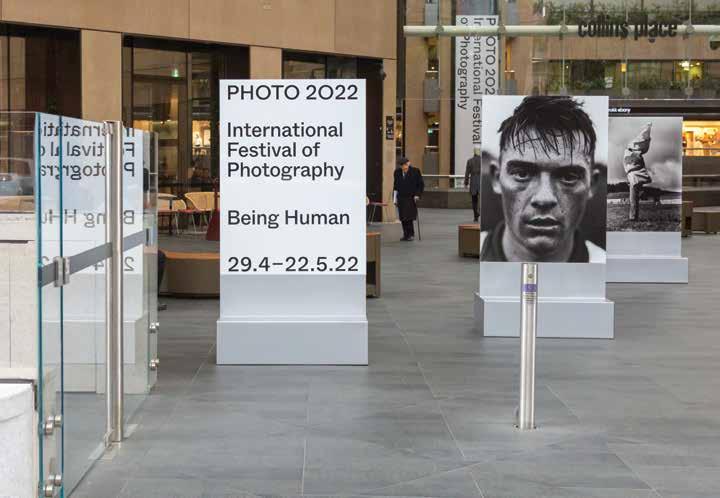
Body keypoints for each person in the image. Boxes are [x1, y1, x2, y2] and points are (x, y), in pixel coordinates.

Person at [481, 96, 605, 263]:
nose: (544, 198)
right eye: (522, 174)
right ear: (496, 178)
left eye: (568, 177)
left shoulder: (608, 268)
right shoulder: (470, 258)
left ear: (592, 184)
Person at [623, 123, 653, 221]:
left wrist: (647, 128)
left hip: (633, 170)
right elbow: (643, 139)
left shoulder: (632, 150)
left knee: (633, 194)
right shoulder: (633, 150)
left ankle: (633, 217)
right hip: (633, 170)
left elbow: (643, 139)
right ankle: (633, 217)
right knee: (634, 194)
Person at [393, 157, 424, 241]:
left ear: (409, 163)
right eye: (402, 165)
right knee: (402, 216)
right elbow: (395, 186)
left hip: (411, 197)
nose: (404, 167)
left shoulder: (415, 171)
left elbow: (420, 184)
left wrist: (417, 195)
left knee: (409, 216)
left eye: (405, 165)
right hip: (401, 197)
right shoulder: (397, 172)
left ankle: (411, 234)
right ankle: (405, 234)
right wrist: (394, 199)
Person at [464, 145, 482, 222]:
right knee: (482, 199)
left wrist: (466, 183)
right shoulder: (482, 160)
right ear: (479, 152)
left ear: (474, 152)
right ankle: (479, 212)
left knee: (474, 200)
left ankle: (476, 216)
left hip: (473, 181)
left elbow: (467, 173)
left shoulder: (470, 161)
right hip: (481, 181)